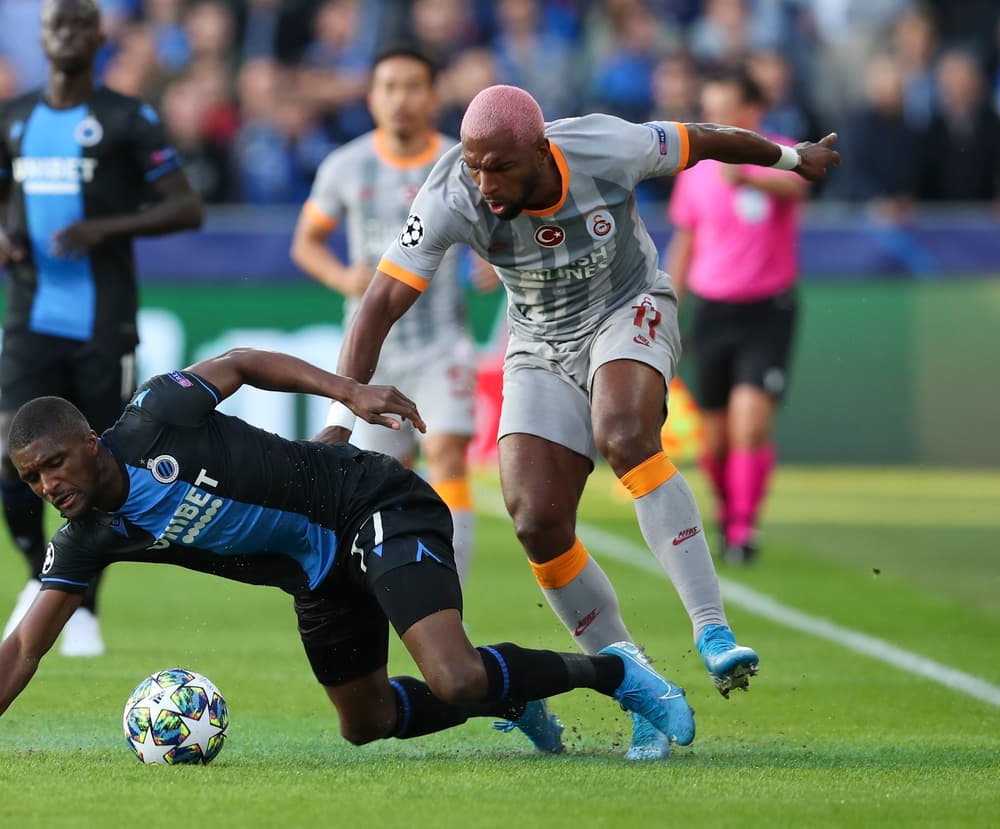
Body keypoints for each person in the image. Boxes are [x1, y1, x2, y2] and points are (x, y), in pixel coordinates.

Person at [322, 84, 840, 760]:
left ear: (541, 150)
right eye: (476, 166)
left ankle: (711, 627)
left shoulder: (605, 146)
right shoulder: (452, 190)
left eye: (500, 167)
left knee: (625, 435)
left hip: (627, 307)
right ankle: (636, 682)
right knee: (536, 518)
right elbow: (380, 301)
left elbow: (703, 138)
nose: (485, 184)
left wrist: (790, 157)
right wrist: (338, 415)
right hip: (537, 343)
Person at [0, 347, 696, 759]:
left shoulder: (156, 416)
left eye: (54, 464)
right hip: (318, 575)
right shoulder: (91, 535)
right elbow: (25, 642)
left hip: (368, 501)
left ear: (88, 441)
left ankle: (619, 673)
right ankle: (506, 693)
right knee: (366, 723)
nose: (47, 485)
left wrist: (350, 393)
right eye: (31, 478)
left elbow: (239, 362)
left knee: (450, 673)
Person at [0, 0, 204, 657]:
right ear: (42, 36)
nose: (69, 33)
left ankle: (83, 604)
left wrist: (104, 228)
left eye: (82, 23)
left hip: (103, 323)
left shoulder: (128, 120)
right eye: (58, 24)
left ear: (101, 36)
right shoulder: (11, 120)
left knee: (99, 466)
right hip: (29, 315)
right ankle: (39, 578)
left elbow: (187, 206)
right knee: (8, 451)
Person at [291, 46, 479, 585]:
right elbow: (306, 242)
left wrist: (487, 264)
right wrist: (340, 276)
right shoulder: (346, 165)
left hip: (443, 340)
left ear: (433, 96)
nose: (400, 99)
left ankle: (451, 590)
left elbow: (493, 231)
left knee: (446, 453)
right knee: (387, 476)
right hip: (374, 351)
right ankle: (406, 585)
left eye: (412, 86)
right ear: (372, 97)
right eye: (389, 87)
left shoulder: (458, 161)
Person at [665, 70, 807, 565]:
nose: (716, 119)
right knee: (718, 437)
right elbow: (686, 240)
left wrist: (746, 173)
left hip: (768, 308)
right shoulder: (696, 168)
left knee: (750, 424)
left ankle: (746, 531)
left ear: (751, 112)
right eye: (710, 108)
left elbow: (799, 189)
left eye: (725, 108)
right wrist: (665, 302)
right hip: (713, 309)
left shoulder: (782, 152)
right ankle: (728, 516)